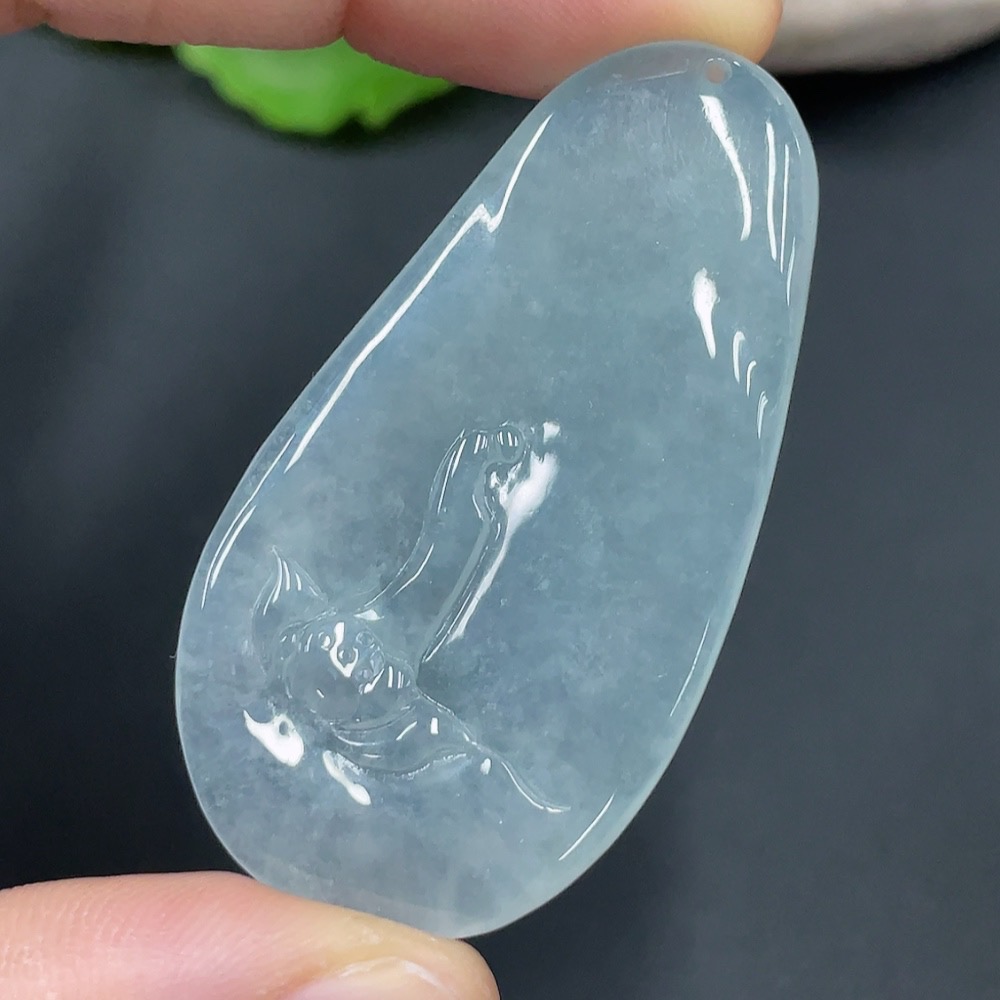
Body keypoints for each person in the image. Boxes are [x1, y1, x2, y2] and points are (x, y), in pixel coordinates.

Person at [0, 1, 780, 996]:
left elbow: (424, 587)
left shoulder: (402, 671)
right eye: (352, 668)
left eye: (342, 658)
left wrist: (472, 497)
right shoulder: (388, 693)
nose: (360, 660)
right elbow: (421, 592)